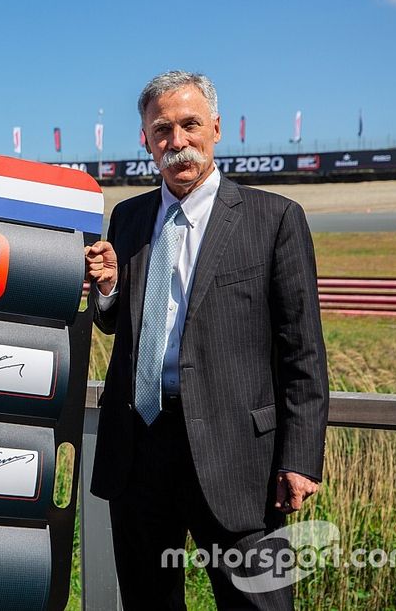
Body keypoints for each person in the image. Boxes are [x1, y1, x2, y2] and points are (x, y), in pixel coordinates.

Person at [85, 71, 329, 609]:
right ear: (146, 141)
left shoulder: (275, 219)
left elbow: (303, 350)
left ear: (215, 129)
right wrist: (107, 291)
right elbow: (117, 323)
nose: (178, 142)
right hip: (139, 452)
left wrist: (301, 456)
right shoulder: (127, 219)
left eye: (190, 125)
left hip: (240, 460)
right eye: (162, 130)